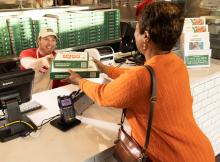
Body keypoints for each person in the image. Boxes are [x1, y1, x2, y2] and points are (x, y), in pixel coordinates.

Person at [62, 1, 215, 162]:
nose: (134, 34)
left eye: (136, 30)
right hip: (201, 152)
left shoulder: (140, 78)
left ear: (146, 36)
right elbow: (135, 74)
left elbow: (103, 95)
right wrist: (105, 68)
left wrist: (79, 81)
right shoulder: (176, 63)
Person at [20, 28, 56, 93]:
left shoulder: (56, 57)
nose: (50, 43)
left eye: (53, 40)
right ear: (38, 41)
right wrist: (38, 62)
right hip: (29, 97)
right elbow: (26, 61)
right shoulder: (27, 53)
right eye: (46, 39)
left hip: (48, 95)